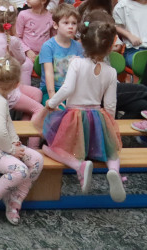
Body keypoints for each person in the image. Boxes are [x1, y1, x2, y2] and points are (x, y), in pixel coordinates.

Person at [39, 17, 126, 202]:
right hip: (98, 116)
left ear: (82, 43)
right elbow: (110, 104)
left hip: (74, 116)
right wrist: (108, 125)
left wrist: (52, 103)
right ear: (110, 47)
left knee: (50, 148)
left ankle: (79, 165)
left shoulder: (76, 63)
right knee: (111, 152)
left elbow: (68, 89)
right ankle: (114, 172)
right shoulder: (111, 72)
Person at [0, 56, 44, 225]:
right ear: (15, 84)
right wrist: (12, 150)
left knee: (37, 160)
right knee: (20, 170)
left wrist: (16, 143)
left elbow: (8, 125)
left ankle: (14, 200)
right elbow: (0, 133)